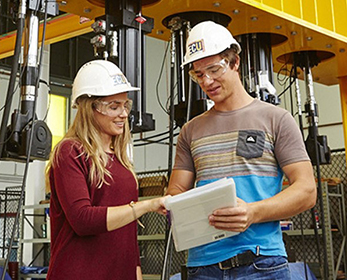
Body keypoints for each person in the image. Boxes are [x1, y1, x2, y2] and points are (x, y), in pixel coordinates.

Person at [166, 21, 317, 279]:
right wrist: (171, 205)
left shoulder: (276, 119)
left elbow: (307, 190)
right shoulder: (190, 131)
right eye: (198, 74)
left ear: (235, 62)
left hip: (262, 262)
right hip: (203, 267)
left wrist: (252, 212)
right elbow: (176, 191)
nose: (207, 81)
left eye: (214, 69)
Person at [45, 60, 167, 280]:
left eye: (125, 105)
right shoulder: (70, 152)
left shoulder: (121, 159)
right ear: (90, 109)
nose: (123, 114)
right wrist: (145, 206)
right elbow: (83, 220)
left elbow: (127, 233)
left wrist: (136, 271)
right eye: (114, 106)